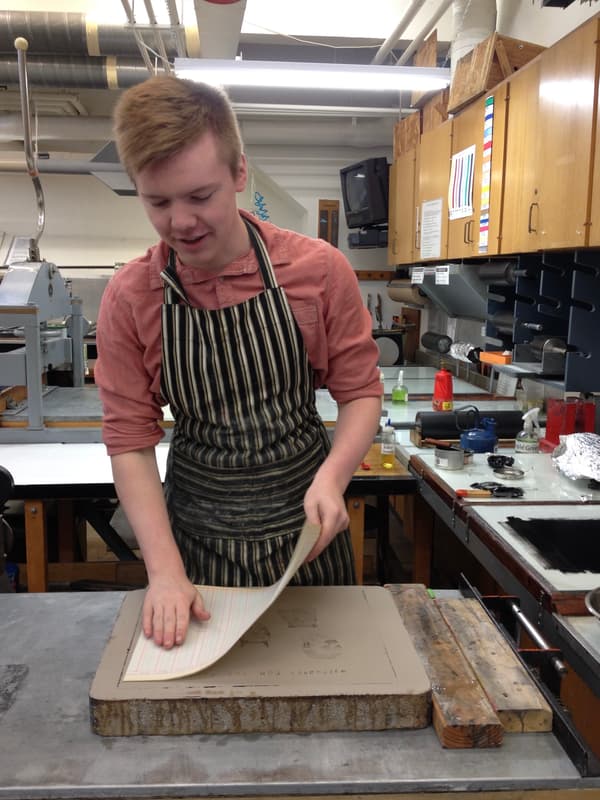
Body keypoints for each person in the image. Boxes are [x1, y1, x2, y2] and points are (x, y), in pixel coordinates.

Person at [95, 75, 383, 650]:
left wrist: (334, 477)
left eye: (199, 196)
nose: (181, 222)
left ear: (239, 173)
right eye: (158, 202)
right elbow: (129, 440)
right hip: (197, 540)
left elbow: (360, 394)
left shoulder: (319, 272)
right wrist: (164, 573)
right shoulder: (132, 296)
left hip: (308, 531)